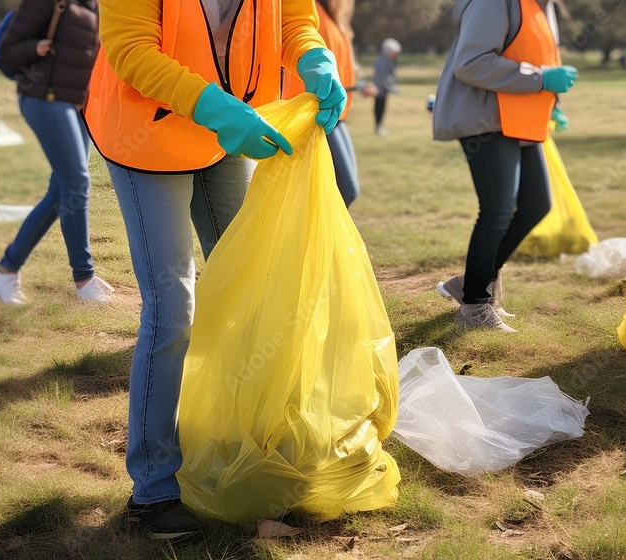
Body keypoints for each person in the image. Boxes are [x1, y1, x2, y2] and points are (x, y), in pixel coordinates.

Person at [83, 0, 345, 540]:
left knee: (254, 286)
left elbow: (295, 20)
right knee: (172, 307)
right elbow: (131, 50)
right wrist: (219, 110)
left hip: (226, 130)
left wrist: (316, 57)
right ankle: (153, 494)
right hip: (147, 136)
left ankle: (239, 452)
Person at [432, 0, 577, 332]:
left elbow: (531, 53)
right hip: (486, 119)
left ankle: (470, 283)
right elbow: (471, 64)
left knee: (536, 205)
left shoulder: (542, 5)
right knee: (497, 209)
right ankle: (475, 307)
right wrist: (542, 80)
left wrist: (551, 102)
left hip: (519, 118)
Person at [0, 0, 108, 306]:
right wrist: (34, 47)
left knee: (61, 190)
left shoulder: (95, 6)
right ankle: (84, 277)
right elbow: (7, 50)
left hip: (75, 105)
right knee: (77, 185)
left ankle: (4, 270)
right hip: (44, 98)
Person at [283, 0, 362, 207]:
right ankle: (316, 235)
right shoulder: (312, 11)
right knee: (345, 188)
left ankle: (321, 235)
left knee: (345, 189)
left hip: (337, 111)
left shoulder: (335, 17)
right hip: (318, 109)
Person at [373, 38, 401, 136]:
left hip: (383, 90)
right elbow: (382, 79)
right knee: (379, 108)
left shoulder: (388, 61)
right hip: (379, 90)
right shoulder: (382, 62)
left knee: (382, 108)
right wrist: (390, 87)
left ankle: (380, 126)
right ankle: (378, 127)